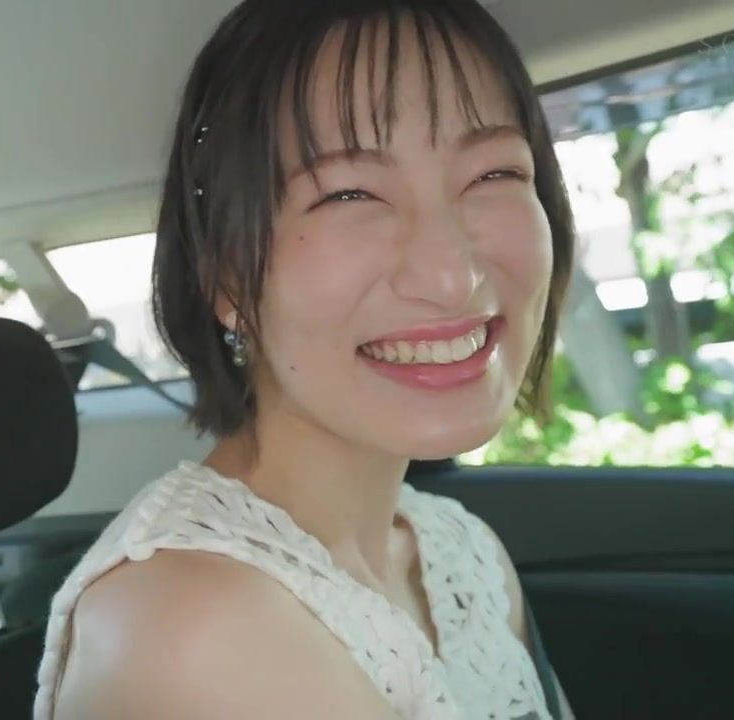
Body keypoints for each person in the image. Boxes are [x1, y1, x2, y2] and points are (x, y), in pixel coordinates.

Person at [34, 1, 576, 717]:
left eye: (492, 175)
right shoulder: (195, 632)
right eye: (350, 193)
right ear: (227, 277)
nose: (452, 276)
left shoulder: (461, 553)